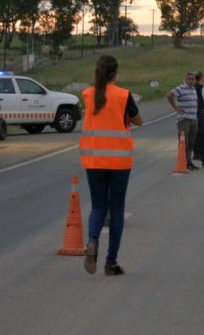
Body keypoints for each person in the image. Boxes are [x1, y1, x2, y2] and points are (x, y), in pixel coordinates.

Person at [80, 55, 142, 276]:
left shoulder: (87, 95)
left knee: (98, 207)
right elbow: (138, 120)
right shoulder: (124, 95)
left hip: (94, 159)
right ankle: (111, 262)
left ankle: (93, 239)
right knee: (116, 210)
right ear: (116, 73)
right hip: (119, 161)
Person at [166, 72, 199, 170]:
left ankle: (189, 161)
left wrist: (195, 108)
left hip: (193, 119)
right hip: (184, 119)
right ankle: (183, 161)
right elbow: (169, 95)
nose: (191, 80)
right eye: (189, 79)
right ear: (185, 79)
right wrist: (175, 107)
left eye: (193, 79)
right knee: (184, 142)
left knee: (192, 142)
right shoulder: (181, 88)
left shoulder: (193, 89)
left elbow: (195, 101)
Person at [193, 71, 204, 161]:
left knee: (196, 132)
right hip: (200, 110)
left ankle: (196, 152)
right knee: (201, 132)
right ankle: (198, 153)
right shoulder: (201, 88)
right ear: (201, 78)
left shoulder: (193, 87)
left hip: (194, 111)